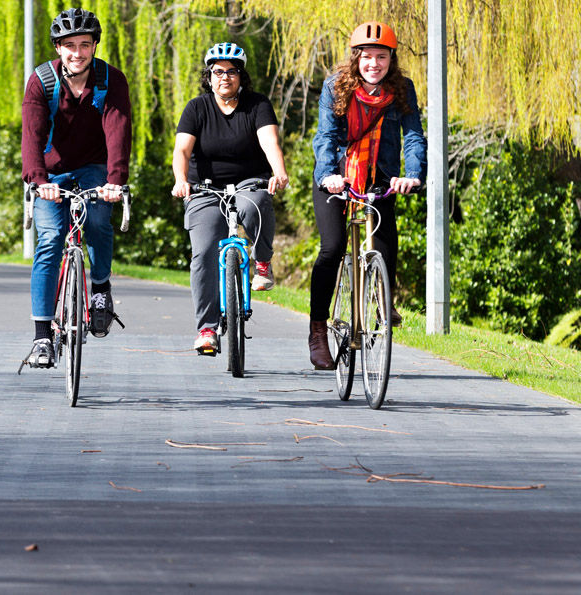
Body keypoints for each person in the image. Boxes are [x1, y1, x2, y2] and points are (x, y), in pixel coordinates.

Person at [307, 21, 426, 369]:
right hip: (338, 178)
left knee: (387, 237)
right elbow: (326, 137)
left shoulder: (403, 89)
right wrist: (329, 175)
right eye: (367, 57)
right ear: (356, 58)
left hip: (379, 176)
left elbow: (414, 135)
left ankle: (381, 297)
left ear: (392, 58)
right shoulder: (335, 86)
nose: (374, 64)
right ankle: (317, 330)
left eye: (381, 57)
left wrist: (413, 175)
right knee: (332, 248)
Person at [21, 7, 131, 368]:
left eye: (85, 44)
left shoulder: (110, 80)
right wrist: (38, 181)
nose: (78, 52)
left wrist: (115, 181)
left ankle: (99, 289)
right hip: (51, 173)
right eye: (70, 45)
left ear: (95, 46)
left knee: (99, 220)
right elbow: (32, 136)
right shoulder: (41, 82)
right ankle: (42, 338)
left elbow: (118, 131)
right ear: (58, 48)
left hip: (95, 168)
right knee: (51, 239)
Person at [171, 42, 289, 353]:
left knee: (257, 205)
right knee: (205, 250)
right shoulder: (197, 108)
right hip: (204, 188)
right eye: (218, 72)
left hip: (249, 181)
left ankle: (262, 263)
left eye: (232, 71)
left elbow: (270, 144)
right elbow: (182, 150)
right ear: (208, 76)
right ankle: (207, 329)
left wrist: (279, 172)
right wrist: (181, 181)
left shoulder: (257, 105)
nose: (225, 77)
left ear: (241, 76)